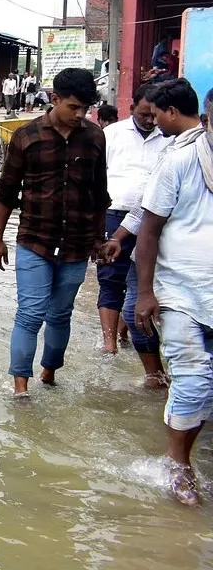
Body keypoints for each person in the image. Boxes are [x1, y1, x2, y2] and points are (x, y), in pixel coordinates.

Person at [0, 67, 110, 398]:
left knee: (60, 314)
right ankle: (20, 389)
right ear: (54, 100)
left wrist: (99, 240)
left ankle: (49, 373)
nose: (79, 114)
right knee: (30, 313)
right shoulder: (26, 137)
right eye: (73, 107)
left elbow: (99, 194)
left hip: (77, 244)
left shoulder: (95, 137)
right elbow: (6, 191)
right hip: (34, 241)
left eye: (85, 109)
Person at [103, 79, 206, 388]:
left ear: (171, 112)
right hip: (167, 255)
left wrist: (147, 290)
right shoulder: (176, 149)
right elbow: (146, 207)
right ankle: (156, 377)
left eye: (157, 113)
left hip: (182, 263)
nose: (154, 120)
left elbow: (149, 221)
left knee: (146, 312)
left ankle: (168, 384)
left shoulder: (179, 155)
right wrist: (118, 238)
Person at [133, 114, 213, 505]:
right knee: (194, 379)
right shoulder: (180, 162)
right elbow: (148, 228)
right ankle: (178, 465)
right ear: (206, 120)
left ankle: (183, 453)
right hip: (180, 291)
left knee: (208, 387)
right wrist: (145, 292)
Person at [95, 84, 169, 354]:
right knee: (111, 277)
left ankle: (129, 328)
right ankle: (109, 342)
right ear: (131, 109)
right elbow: (96, 174)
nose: (149, 120)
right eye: (143, 114)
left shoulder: (169, 135)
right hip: (115, 213)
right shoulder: (111, 134)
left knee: (145, 280)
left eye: (153, 115)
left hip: (157, 218)